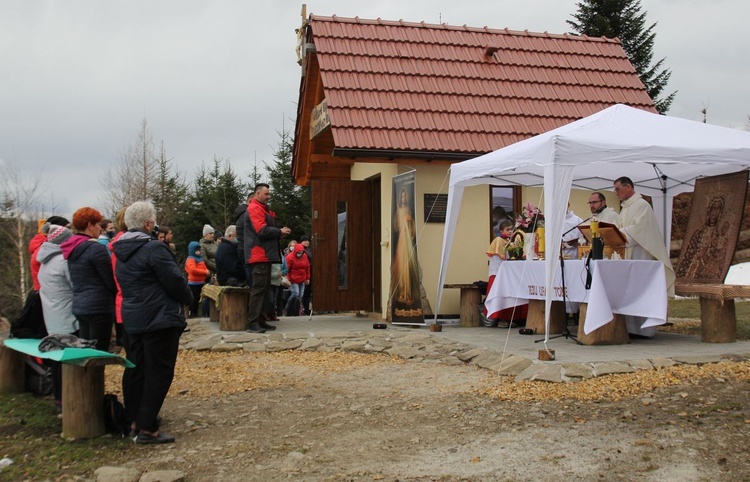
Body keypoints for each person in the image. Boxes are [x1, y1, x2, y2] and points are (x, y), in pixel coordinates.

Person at [112, 201, 193, 444]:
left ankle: (134, 420)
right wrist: (188, 299)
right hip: (159, 317)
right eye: (153, 221)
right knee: (159, 372)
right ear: (148, 223)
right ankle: (147, 428)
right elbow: (175, 281)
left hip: (133, 316)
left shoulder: (120, 250)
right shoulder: (154, 249)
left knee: (137, 369)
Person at [614, 176, 675, 336]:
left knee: (639, 292)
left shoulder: (642, 205)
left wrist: (617, 233)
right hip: (629, 256)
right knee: (629, 292)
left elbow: (640, 230)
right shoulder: (626, 207)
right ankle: (631, 329)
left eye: (618, 189)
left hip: (641, 256)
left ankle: (644, 330)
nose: (616, 193)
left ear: (628, 187)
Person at [60, 207, 117, 352]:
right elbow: (109, 279)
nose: (100, 228)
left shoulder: (72, 249)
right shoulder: (95, 248)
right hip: (99, 307)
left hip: (80, 306)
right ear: (90, 225)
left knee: (85, 352)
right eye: (98, 224)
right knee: (98, 353)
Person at [36, 224, 78, 410]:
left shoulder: (44, 263)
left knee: (56, 360)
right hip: (67, 317)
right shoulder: (63, 262)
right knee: (68, 361)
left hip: (51, 317)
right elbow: (75, 285)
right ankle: (68, 399)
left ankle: (59, 397)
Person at [244, 183, 290, 333]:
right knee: (258, 289)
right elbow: (261, 230)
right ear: (257, 194)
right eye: (266, 194)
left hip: (264, 255)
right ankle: (252, 323)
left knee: (263, 289)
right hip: (259, 255)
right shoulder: (254, 208)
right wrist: (279, 231)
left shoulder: (262, 209)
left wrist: (278, 233)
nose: (268, 196)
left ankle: (261, 319)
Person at [391, 187, 419, 305]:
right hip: (401, 241)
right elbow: (396, 227)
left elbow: (412, 227)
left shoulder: (408, 209)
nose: (403, 198)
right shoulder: (399, 210)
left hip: (407, 241)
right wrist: (397, 214)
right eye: (401, 196)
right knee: (401, 266)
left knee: (407, 267)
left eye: (405, 196)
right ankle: (402, 291)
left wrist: (411, 220)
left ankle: (407, 293)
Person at [284, 243, 310, 316]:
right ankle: (287, 308)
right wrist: (288, 278)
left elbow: (307, 267)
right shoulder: (290, 257)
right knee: (295, 294)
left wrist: (307, 278)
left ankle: (297, 310)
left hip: (302, 278)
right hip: (293, 279)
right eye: (299, 252)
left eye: (301, 252)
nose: (300, 254)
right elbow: (287, 269)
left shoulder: (304, 256)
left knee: (300, 296)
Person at [185, 241, 210, 318]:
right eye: (196, 250)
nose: (198, 252)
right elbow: (192, 270)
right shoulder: (190, 259)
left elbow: (204, 267)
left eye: (199, 250)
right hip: (193, 283)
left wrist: (207, 272)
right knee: (194, 300)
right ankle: (192, 313)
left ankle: (196, 313)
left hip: (201, 282)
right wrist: (205, 272)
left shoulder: (200, 259)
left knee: (199, 299)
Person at [299, 235, 313, 315]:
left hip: (310, 272)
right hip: (303, 273)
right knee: (303, 292)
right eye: (305, 240)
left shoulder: (309, 250)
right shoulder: (301, 250)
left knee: (307, 292)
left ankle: (306, 309)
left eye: (307, 240)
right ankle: (303, 309)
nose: (307, 242)